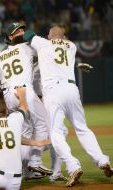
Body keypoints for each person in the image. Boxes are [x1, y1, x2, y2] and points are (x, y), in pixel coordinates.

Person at [23, 25, 113, 187]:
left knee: (56, 132)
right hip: (72, 89)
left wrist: (40, 38)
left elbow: (28, 34)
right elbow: (60, 52)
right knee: (83, 128)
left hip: (53, 91)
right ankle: (102, 160)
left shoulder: (43, 43)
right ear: (64, 37)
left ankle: (73, 166)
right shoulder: (72, 46)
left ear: (49, 36)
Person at [0, 22, 52, 178]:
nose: (21, 32)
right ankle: (35, 161)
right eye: (17, 31)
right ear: (10, 36)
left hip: (8, 96)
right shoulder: (27, 47)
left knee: (25, 132)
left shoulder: (0, 56)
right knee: (43, 124)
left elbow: (0, 79)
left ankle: (21, 171)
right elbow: (48, 49)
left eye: (22, 29)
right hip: (24, 91)